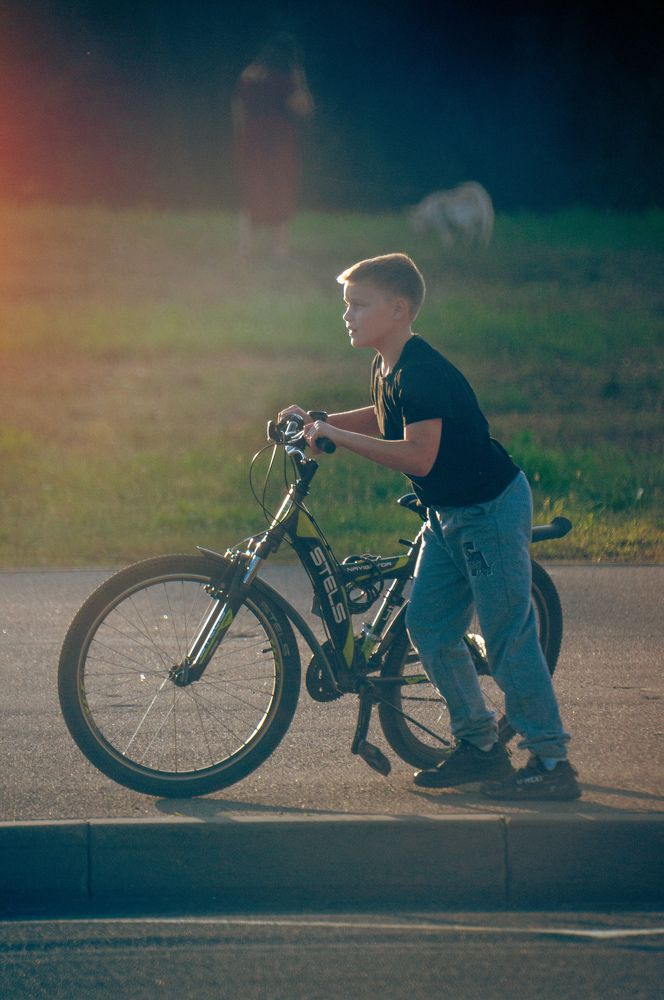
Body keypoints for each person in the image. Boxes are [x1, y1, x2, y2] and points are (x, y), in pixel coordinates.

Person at [279, 253, 580, 800]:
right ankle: (481, 749)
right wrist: (318, 421)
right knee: (433, 629)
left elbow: (418, 456)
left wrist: (336, 439)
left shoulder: (422, 370)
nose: (347, 315)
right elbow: (382, 415)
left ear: (397, 309)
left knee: (508, 636)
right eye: (346, 305)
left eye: (359, 305)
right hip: (446, 515)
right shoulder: (389, 366)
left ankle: (552, 760)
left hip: (488, 511)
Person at [232, 32, 314, 260]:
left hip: (250, 141)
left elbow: (237, 110)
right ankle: (279, 248)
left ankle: (246, 247)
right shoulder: (285, 80)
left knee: (251, 190)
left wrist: (240, 139)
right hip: (278, 144)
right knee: (280, 190)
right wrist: (300, 80)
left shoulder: (249, 76)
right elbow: (304, 107)